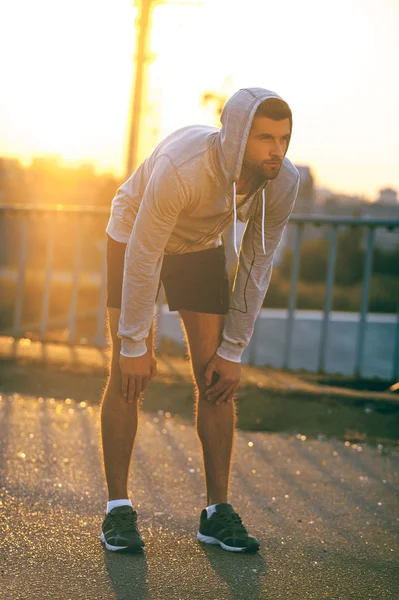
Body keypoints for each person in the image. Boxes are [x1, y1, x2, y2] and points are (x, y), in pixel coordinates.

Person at [100, 87, 300, 554]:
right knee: (127, 374)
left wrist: (233, 351)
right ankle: (117, 510)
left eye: (284, 139)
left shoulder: (282, 181)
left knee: (216, 378)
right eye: (265, 138)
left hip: (199, 245)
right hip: (135, 234)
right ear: (236, 137)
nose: (277, 150)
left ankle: (216, 513)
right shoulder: (183, 167)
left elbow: (257, 263)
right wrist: (134, 344)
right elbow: (145, 253)